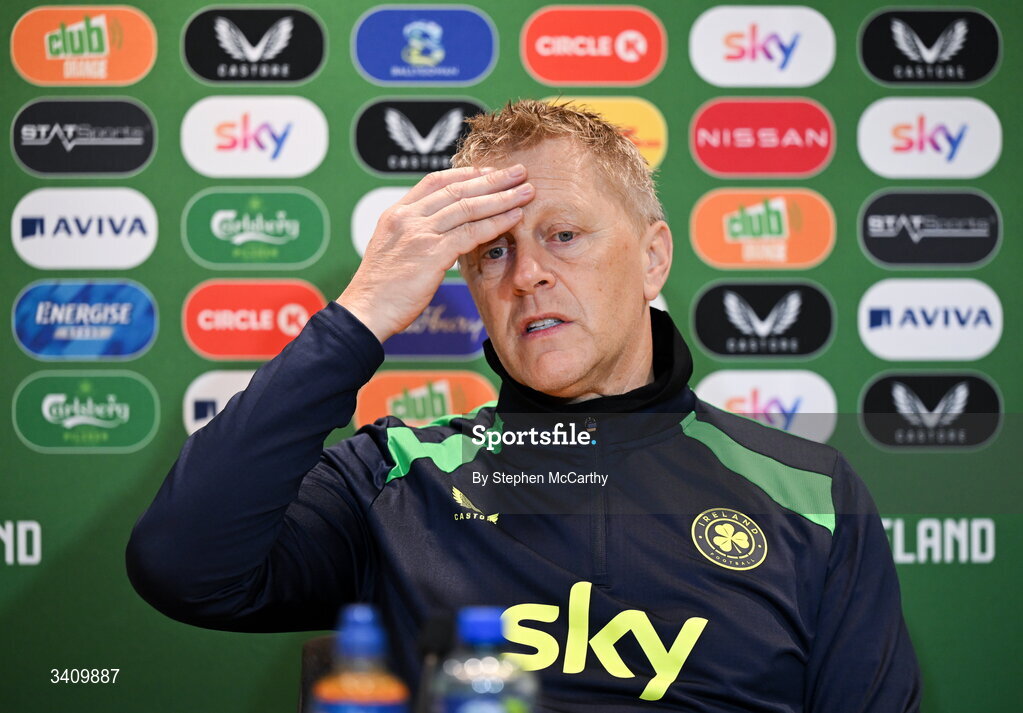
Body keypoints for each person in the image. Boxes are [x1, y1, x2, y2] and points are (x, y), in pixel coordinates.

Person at [127, 100, 921, 710]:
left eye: (563, 235)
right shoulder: (397, 474)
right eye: (492, 250)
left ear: (652, 258)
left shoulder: (809, 493)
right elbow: (183, 565)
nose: (526, 274)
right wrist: (360, 314)